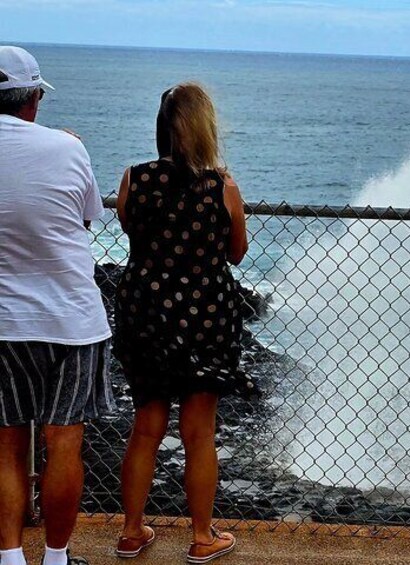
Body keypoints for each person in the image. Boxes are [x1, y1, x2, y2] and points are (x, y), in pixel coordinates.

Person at [114, 82, 255, 563]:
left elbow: (133, 230)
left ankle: (131, 532)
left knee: (146, 425)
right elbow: (236, 253)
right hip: (206, 317)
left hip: (146, 314)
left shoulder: (134, 178)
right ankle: (201, 538)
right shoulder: (222, 185)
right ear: (204, 128)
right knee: (199, 431)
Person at [0, 46, 114, 565]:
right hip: (70, 318)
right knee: (63, 441)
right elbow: (85, 219)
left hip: (4, 322)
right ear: (35, 100)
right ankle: (55, 557)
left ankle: (8, 557)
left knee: (6, 445)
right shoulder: (69, 149)